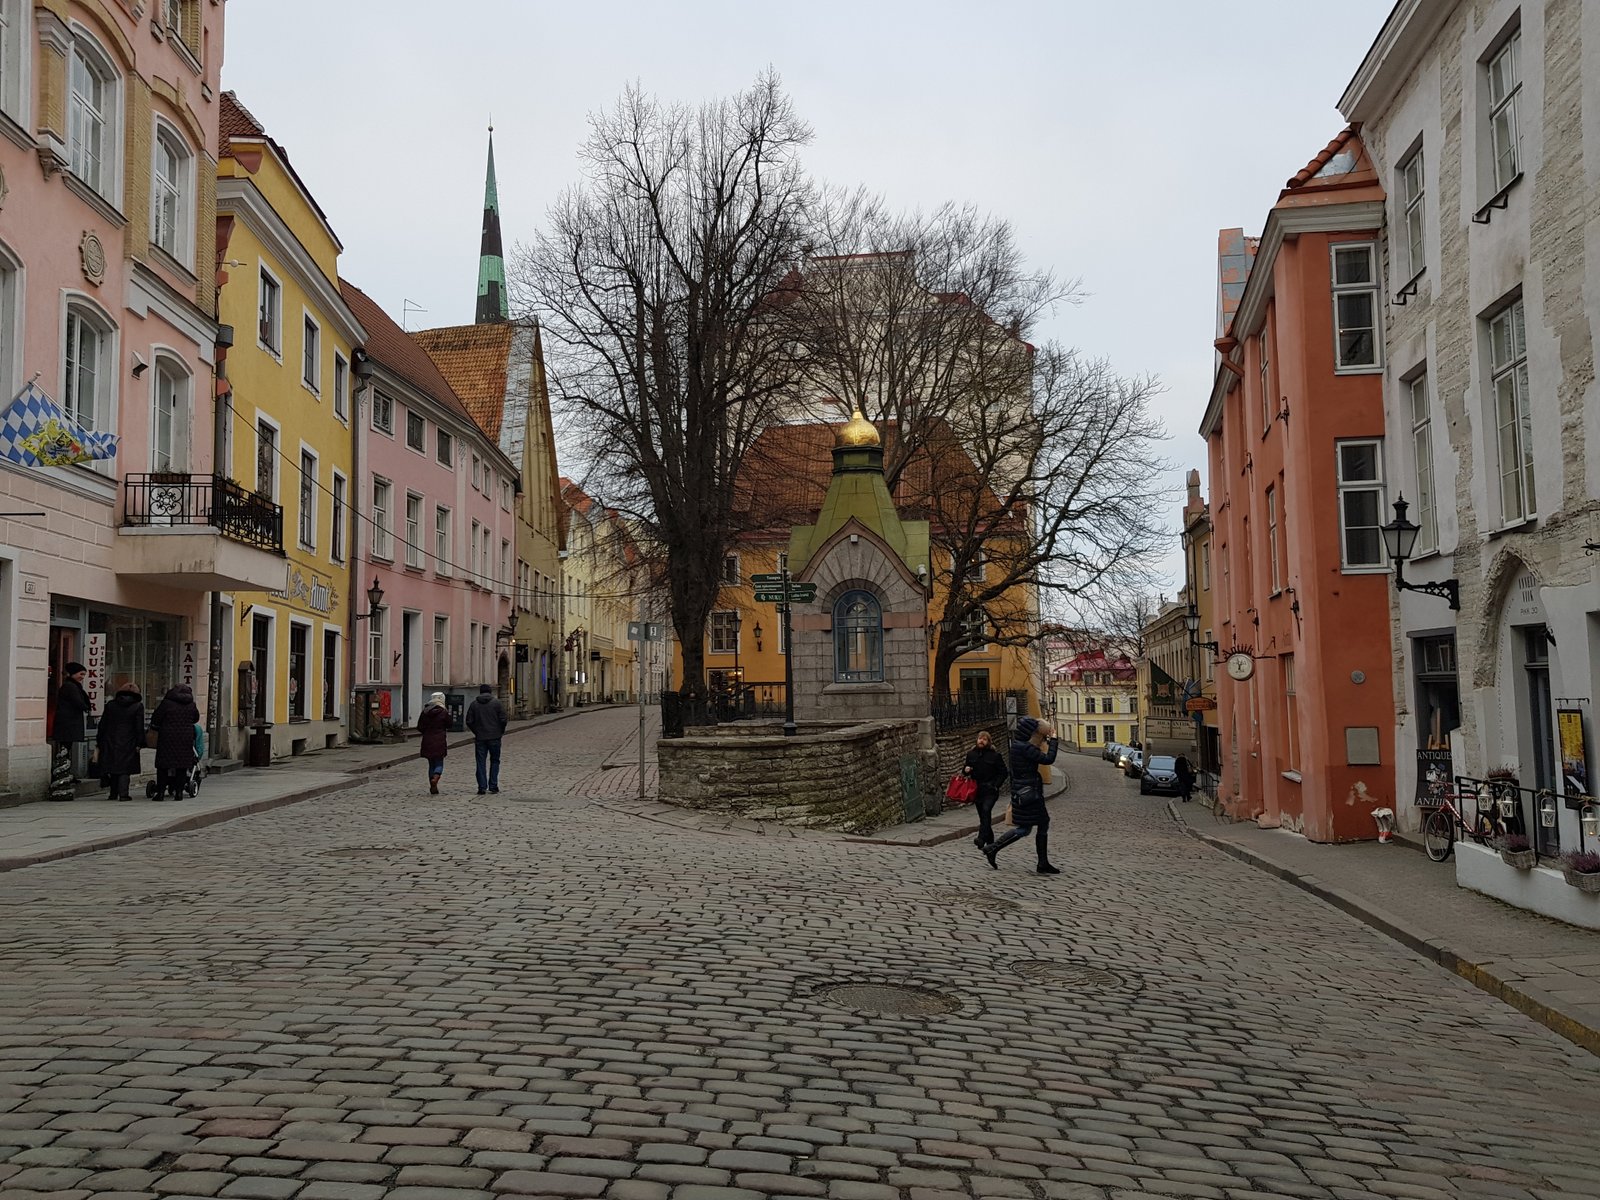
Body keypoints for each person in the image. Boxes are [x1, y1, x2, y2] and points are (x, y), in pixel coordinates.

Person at [984, 716, 1060, 874]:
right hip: (1029, 792)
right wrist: (1053, 740)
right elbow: (1048, 759)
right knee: (1028, 827)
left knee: (1033, 825)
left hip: (1023, 790)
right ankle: (993, 848)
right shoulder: (1026, 748)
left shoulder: (1017, 746)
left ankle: (1041, 862)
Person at [149, 683, 200, 802]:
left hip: (167, 737)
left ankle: (160, 793)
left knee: (163, 766)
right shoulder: (191, 705)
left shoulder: (166, 704)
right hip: (185, 738)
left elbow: (156, 718)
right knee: (181, 767)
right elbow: (196, 718)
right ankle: (179, 793)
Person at [95, 682, 145, 801]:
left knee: (113, 767)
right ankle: (123, 794)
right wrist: (140, 742)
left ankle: (113, 794)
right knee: (125, 768)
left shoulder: (111, 705)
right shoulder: (137, 706)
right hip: (129, 740)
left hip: (110, 739)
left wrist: (100, 740)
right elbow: (139, 727)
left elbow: (103, 724)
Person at [51, 661, 93, 793]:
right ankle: (62, 773)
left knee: (67, 747)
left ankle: (65, 773)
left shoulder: (74, 686)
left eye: (84, 674)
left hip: (69, 723)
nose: (82, 677)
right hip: (67, 723)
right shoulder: (70, 687)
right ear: (74, 673)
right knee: (65, 748)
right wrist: (85, 707)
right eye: (81, 674)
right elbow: (78, 702)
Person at [963, 729, 1009, 849]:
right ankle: (991, 846)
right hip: (977, 790)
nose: (981, 741)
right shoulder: (971, 754)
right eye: (980, 738)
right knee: (984, 817)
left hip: (990, 790)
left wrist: (995, 785)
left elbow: (1003, 772)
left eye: (984, 739)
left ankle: (981, 838)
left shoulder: (995, 756)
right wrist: (966, 770)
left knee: (986, 810)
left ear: (988, 741)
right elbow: (966, 770)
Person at [465, 683, 509, 796]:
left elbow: (469, 721)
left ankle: (482, 787)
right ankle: (493, 785)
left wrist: (477, 731)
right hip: (495, 737)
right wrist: (500, 731)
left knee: (480, 762)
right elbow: (503, 719)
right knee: (495, 761)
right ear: (490, 692)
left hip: (480, 738)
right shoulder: (497, 704)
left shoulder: (474, 704)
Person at [418, 692, 451, 795]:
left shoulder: (425, 711)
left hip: (427, 740)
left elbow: (420, 727)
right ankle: (436, 778)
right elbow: (449, 724)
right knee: (439, 762)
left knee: (431, 763)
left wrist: (427, 732)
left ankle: (433, 786)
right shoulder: (443, 712)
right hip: (440, 740)